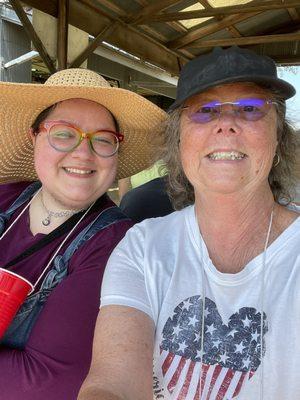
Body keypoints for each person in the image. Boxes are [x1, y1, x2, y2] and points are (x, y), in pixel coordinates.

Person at [78, 46, 300, 400]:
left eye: (251, 109)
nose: (226, 123)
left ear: (278, 137)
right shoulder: (142, 247)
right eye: (203, 111)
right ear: (178, 142)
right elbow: (112, 382)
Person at [0, 67, 165, 400]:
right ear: (35, 137)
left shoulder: (114, 245)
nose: (83, 153)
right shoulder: (6, 196)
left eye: (102, 139)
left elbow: (44, 381)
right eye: (63, 133)